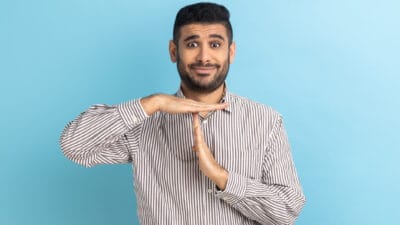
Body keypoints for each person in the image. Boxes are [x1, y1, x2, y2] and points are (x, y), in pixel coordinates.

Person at [60, 2, 305, 225]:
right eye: (192, 44)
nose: (204, 56)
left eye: (215, 44)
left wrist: (222, 177)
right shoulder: (144, 122)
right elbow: (74, 146)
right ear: (173, 51)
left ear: (231, 52)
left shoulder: (266, 121)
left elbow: (286, 211)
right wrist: (153, 103)